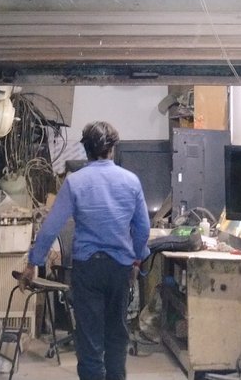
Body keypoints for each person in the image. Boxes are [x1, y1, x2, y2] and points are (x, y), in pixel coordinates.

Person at [20, 121, 150, 380]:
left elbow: (50, 227)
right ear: (112, 149)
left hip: (87, 269)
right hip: (119, 268)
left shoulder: (74, 182)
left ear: (86, 150)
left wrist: (33, 262)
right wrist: (136, 261)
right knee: (117, 333)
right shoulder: (131, 181)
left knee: (89, 337)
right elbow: (143, 229)